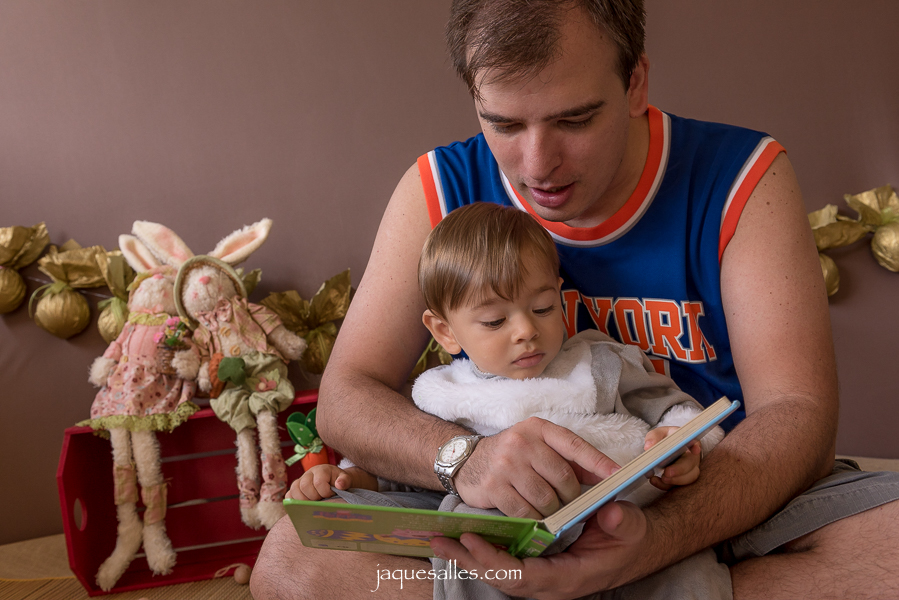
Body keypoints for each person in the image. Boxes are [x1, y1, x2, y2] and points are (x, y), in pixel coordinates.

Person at [251, 1, 899, 598]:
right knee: (291, 564)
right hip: (496, 517)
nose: (536, 165)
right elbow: (345, 395)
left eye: (574, 119)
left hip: (702, 501)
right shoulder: (437, 187)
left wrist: (659, 538)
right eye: (502, 124)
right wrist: (463, 460)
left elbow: (797, 413)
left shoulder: (741, 175)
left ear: (635, 82)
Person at [289, 204, 728, 597]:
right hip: (508, 551)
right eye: (495, 320)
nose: (525, 331)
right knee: (464, 557)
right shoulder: (443, 394)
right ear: (445, 331)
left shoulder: (598, 362)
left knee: (690, 573)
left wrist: (679, 443)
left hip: (622, 522)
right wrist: (351, 480)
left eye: (542, 308)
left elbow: (673, 409)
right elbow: (404, 477)